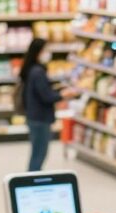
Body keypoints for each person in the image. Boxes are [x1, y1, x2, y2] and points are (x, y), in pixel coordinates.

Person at [20, 38, 78, 171]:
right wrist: (63, 95)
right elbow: (46, 96)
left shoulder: (31, 69)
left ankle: (32, 176)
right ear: (39, 51)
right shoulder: (38, 72)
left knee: (37, 152)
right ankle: (32, 178)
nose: (48, 53)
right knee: (39, 154)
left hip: (34, 116)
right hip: (40, 118)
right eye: (46, 50)